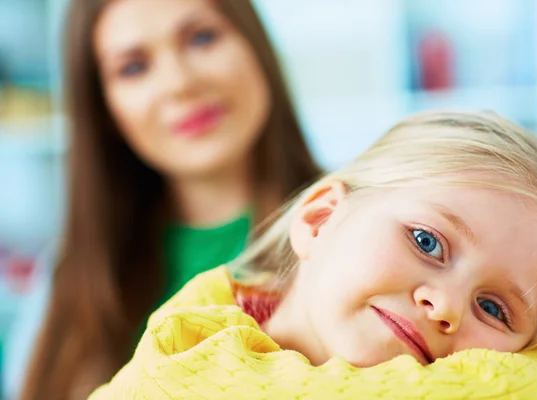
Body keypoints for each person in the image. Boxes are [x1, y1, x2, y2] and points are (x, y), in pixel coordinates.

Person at [89, 111, 537, 399]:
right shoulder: (179, 363)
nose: (444, 306)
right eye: (427, 242)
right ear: (319, 219)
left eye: (493, 308)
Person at [10, 0, 321, 399]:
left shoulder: (364, 229)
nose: (180, 83)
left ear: (255, 45)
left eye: (202, 37)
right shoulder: (62, 282)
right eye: (134, 67)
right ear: (104, 109)